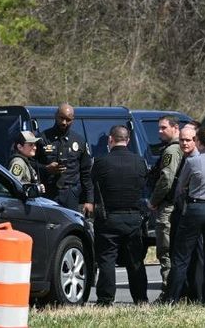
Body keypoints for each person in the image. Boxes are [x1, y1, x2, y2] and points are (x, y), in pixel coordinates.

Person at [166, 126, 205, 305]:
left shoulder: (193, 162)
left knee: (181, 257)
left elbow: (180, 188)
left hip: (196, 207)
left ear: (198, 142)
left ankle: (172, 298)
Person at [92, 125, 149, 305]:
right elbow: (143, 186)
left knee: (107, 260)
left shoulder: (101, 163)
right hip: (133, 217)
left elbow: (93, 185)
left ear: (110, 139)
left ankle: (105, 299)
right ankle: (140, 298)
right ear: (128, 140)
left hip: (109, 217)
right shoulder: (139, 162)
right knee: (135, 261)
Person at [148, 115, 183, 295]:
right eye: (159, 128)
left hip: (168, 207)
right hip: (176, 206)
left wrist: (153, 201)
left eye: (163, 128)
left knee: (165, 250)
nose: (160, 131)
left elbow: (167, 179)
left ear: (175, 128)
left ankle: (168, 291)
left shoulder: (171, 151)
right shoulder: (182, 147)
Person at [39, 103, 94, 215]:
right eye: (61, 118)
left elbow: (86, 173)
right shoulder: (43, 138)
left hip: (71, 194)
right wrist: (46, 168)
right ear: (56, 116)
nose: (64, 122)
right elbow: (32, 165)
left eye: (68, 120)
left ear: (73, 120)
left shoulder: (79, 141)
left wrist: (89, 200)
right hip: (49, 193)